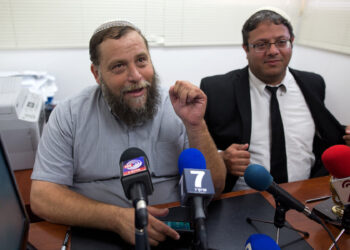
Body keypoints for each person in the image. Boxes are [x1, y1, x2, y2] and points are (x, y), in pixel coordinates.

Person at [30, 20, 226, 246]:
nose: (135, 75)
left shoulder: (178, 106)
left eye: (141, 61)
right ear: (97, 74)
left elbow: (217, 186)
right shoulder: (69, 114)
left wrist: (196, 125)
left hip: (175, 232)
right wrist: (115, 218)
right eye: (119, 66)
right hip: (99, 234)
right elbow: (42, 197)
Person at [200, 9, 350, 191]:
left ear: (291, 43)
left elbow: (327, 133)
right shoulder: (217, 89)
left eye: (281, 42)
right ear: (246, 49)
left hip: (304, 193)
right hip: (243, 198)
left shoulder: (313, 83)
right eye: (261, 45)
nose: (273, 51)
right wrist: (221, 158)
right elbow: (197, 145)